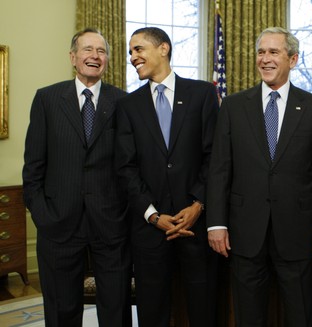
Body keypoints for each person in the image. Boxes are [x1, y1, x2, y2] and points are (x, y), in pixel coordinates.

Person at [206, 26, 312, 327]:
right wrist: (216, 222)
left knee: (299, 314)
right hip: (244, 231)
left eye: (274, 52)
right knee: (248, 315)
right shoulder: (234, 106)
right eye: (261, 52)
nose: (265, 59)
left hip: (298, 231)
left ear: (293, 59)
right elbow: (220, 168)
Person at [22, 28, 131, 327]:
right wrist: (43, 215)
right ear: (73, 57)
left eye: (101, 51)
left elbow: (129, 166)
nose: (94, 56)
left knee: (115, 309)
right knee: (61, 311)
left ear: (107, 59)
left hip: (110, 225)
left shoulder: (124, 103)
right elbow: (33, 167)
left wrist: (124, 214)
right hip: (58, 224)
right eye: (87, 50)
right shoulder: (47, 99)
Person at [115, 27, 219, 327]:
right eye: (130, 52)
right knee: (152, 312)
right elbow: (125, 167)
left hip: (196, 227)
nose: (132, 56)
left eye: (138, 49)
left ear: (163, 48)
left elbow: (215, 156)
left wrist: (198, 205)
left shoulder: (202, 94)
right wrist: (152, 215)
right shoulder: (128, 106)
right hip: (150, 231)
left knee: (203, 309)